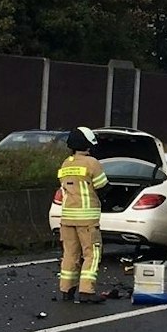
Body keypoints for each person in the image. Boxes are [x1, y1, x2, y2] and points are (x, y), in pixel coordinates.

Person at [54, 127, 108, 302]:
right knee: (92, 253)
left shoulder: (66, 163)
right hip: (87, 219)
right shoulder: (92, 163)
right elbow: (103, 187)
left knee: (70, 254)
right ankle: (87, 291)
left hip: (67, 218)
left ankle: (66, 289)